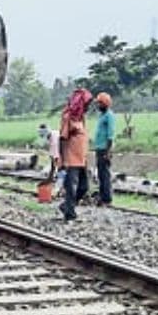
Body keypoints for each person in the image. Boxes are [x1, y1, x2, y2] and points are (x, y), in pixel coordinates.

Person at [59, 88, 92, 222]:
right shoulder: (68, 117)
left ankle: (66, 206)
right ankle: (70, 215)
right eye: (86, 104)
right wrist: (61, 160)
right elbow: (62, 139)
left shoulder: (81, 118)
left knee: (84, 187)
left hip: (81, 159)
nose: (88, 107)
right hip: (71, 159)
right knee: (71, 189)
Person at [93, 92, 116, 206]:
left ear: (105, 103)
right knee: (101, 174)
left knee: (105, 174)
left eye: (100, 103)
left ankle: (107, 199)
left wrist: (108, 151)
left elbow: (110, 135)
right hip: (99, 148)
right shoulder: (101, 116)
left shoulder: (109, 116)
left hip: (104, 149)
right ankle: (102, 197)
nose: (98, 105)